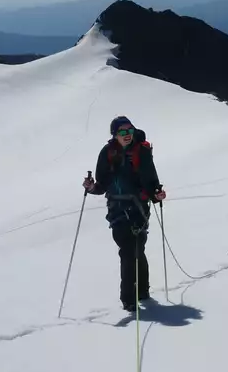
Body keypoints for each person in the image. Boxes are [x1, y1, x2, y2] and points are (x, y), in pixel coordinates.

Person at [83, 116, 166, 311]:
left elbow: (151, 180)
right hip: (117, 210)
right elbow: (101, 185)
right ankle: (129, 298)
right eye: (122, 132)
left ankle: (142, 292)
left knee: (137, 249)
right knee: (128, 251)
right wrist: (91, 187)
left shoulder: (142, 152)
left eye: (129, 131)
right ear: (115, 134)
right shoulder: (107, 153)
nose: (127, 135)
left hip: (139, 208)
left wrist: (157, 195)